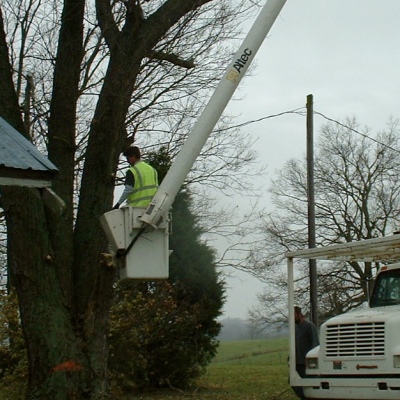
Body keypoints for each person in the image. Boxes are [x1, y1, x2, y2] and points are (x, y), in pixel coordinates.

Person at [292, 306, 319, 400]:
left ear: (299, 314)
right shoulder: (294, 329)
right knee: (293, 382)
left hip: (306, 363)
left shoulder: (309, 326)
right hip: (297, 363)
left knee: (309, 383)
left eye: (294, 315)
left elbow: (315, 343)